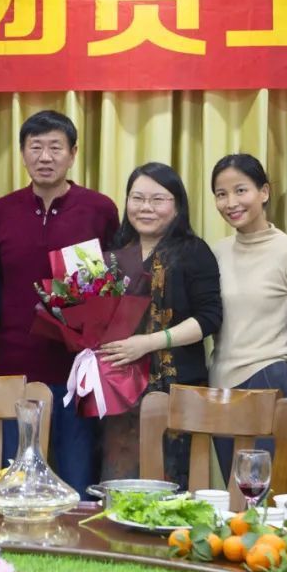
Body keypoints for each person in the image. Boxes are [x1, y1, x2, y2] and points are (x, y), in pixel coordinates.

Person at [0, 110, 119, 496]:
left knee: (78, 478)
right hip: (15, 369)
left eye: (56, 147)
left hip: (78, 371)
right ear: (22, 154)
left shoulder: (99, 209)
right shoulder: (2, 211)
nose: (45, 157)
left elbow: (115, 284)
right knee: (16, 482)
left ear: (73, 153)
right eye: (36, 147)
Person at [99, 163, 222, 486]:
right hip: (120, 393)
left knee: (171, 488)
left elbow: (209, 317)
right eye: (137, 198)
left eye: (158, 199)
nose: (146, 207)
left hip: (176, 391)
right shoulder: (113, 256)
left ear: (177, 205)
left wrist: (149, 343)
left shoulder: (194, 251)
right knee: (121, 486)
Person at [209, 154, 287, 479]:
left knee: (263, 495)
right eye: (221, 194)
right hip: (220, 384)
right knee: (233, 495)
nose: (231, 202)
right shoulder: (215, 252)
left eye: (241, 190)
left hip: (268, 378)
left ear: (264, 192)